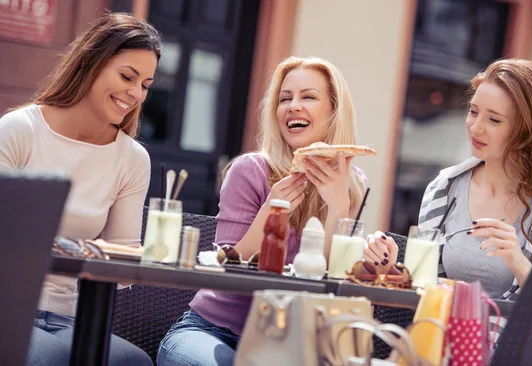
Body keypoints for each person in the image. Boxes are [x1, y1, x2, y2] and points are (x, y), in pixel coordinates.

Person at [365, 59, 532, 364]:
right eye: (473, 111)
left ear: (527, 129)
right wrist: (396, 263)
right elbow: (426, 291)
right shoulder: (445, 189)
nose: (476, 127)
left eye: (495, 120)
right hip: (447, 353)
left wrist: (518, 262)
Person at [157, 56, 368, 366]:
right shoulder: (250, 171)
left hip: (293, 345)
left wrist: (339, 207)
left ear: (334, 111)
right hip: (214, 332)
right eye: (285, 99)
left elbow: (332, 284)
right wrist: (271, 212)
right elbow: (226, 268)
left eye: (308, 96)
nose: (293, 106)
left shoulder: (353, 184)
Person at [0, 13, 161, 365]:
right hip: (7, 311)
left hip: (71, 318)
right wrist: (88, 248)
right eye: (126, 76)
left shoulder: (132, 159)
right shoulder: (18, 131)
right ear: (91, 63)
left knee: (134, 362)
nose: (135, 93)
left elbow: (122, 267)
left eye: (145, 84)